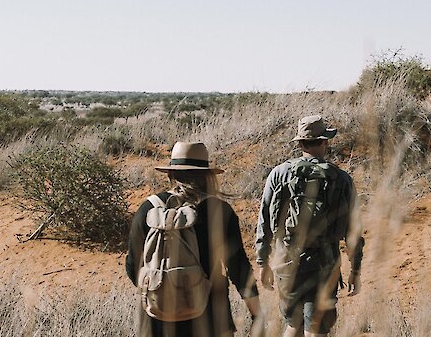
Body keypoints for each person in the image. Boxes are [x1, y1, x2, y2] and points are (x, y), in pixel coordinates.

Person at [127, 142, 260, 336]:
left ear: (171, 174)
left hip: (156, 319)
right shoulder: (219, 211)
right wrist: (258, 315)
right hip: (212, 317)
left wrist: (162, 290)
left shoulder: (148, 209)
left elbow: (133, 266)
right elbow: (239, 268)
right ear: (207, 175)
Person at [255, 115, 365, 337]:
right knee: (316, 328)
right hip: (325, 261)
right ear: (325, 142)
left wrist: (262, 261)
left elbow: (264, 220)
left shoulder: (279, 174)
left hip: (286, 259)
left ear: (300, 144)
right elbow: (354, 229)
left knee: (293, 325)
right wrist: (355, 269)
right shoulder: (341, 178)